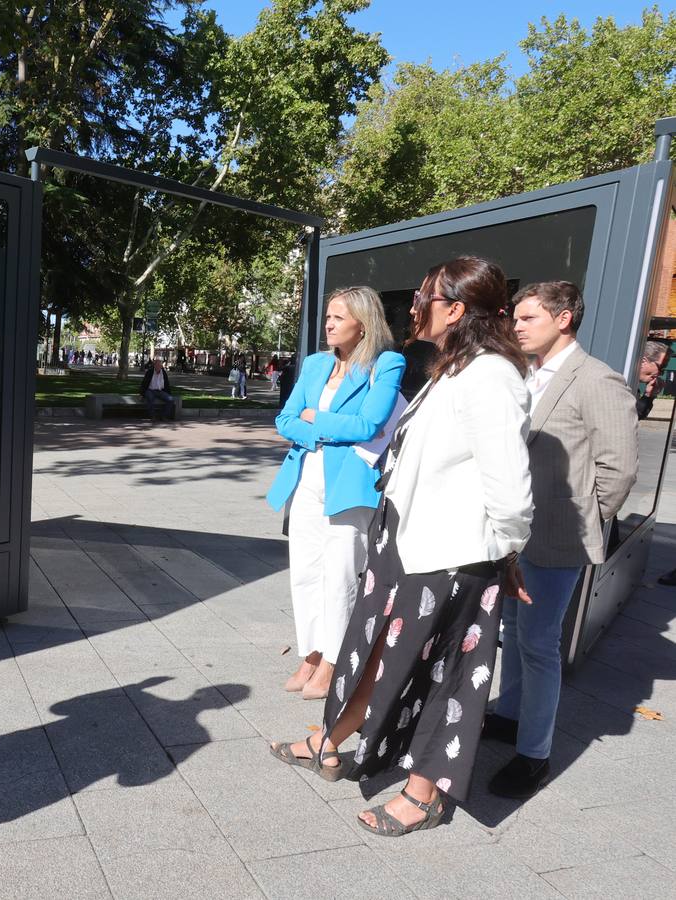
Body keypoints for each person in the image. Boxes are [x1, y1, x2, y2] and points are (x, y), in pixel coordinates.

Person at [268, 256, 533, 837]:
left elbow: (510, 488)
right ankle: (330, 742)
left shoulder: (491, 376)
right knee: (374, 655)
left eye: (423, 298)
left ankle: (424, 793)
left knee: (446, 678)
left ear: (456, 310)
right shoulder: (453, 369)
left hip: (452, 557)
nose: (412, 306)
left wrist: (506, 553)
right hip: (406, 547)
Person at [483, 282, 637, 797]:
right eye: (516, 317)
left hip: (556, 540)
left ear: (564, 318)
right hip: (514, 536)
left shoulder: (598, 380)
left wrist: (579, 526)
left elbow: (619, 470)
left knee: (539, 644)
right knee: (512, 628)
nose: (517, 326)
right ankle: (509, 716)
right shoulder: (525, 375)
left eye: (528, 317)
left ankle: (535, 755)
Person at [266, 287, 405, 700]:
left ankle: (333, 660)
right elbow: (285, 418)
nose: (328, 324)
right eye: (328, 316)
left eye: (338, 318)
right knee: (306, 569)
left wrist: (316, 419)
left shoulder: (386, 364)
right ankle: (310, 651)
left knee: (342, 572)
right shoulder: (314, 364)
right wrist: (320, 426)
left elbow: (370, 424)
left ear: (363, 323)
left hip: (349, 481)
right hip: (306, 475)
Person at [635, 339, 669, 420]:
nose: (661, 374)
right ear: (643, 361)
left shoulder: (634, 387)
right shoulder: (620, 382)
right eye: (660, 367)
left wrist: (649, 395)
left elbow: (636, 416)